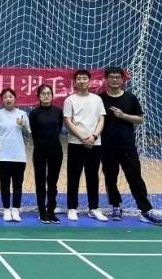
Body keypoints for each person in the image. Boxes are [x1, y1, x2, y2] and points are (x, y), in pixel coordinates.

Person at [100, 66, 162, 225]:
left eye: (117, 77)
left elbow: (140, 119)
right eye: (111, 77)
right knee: (110, 178)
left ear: (122, 80)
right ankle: (115, 206)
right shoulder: (100, 99)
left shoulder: (130, 98)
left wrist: (123, 115)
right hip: (107, 146)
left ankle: (145, 210)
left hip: (127, 146)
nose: (114, 80)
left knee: (135, 178)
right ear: (106, 79)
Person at [63, 69, 107, 222]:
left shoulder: (97, 99)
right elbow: (68, 121)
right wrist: (83, 138)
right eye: (79, 79)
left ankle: (93, 208)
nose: (82, 81)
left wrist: (93, 136)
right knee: (73, 176)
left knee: (92, 176)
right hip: (76, 143)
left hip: (95, 143)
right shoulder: (70, 100)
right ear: (75, 82)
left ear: (89, 81)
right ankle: (72, 208)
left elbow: (101, 119)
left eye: (84, 78)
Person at [0, 88, 30, 222]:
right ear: (2, 100)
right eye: (5, 97)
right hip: (3, 156)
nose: (8, 99)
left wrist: (23, 125)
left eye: (10, 96)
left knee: (18, 185)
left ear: (15, 99)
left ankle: (16, 210)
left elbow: (28, 134)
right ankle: (6, 210)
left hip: (19, 156)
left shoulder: (22, 114)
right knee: (5, 185)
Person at [29, 84, 64, 224]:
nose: (46, 96)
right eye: (43, 93)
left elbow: (59, 129)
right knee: (40, 182)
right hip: (40, 151)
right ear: (38, 96)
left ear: (52, 95)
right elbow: (34, 133)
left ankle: (51, 211)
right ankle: (42, 212)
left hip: (56, 150)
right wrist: (41, 144)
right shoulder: (34, 113)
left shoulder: (58, 112)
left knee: (53, 182)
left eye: (49, 93)